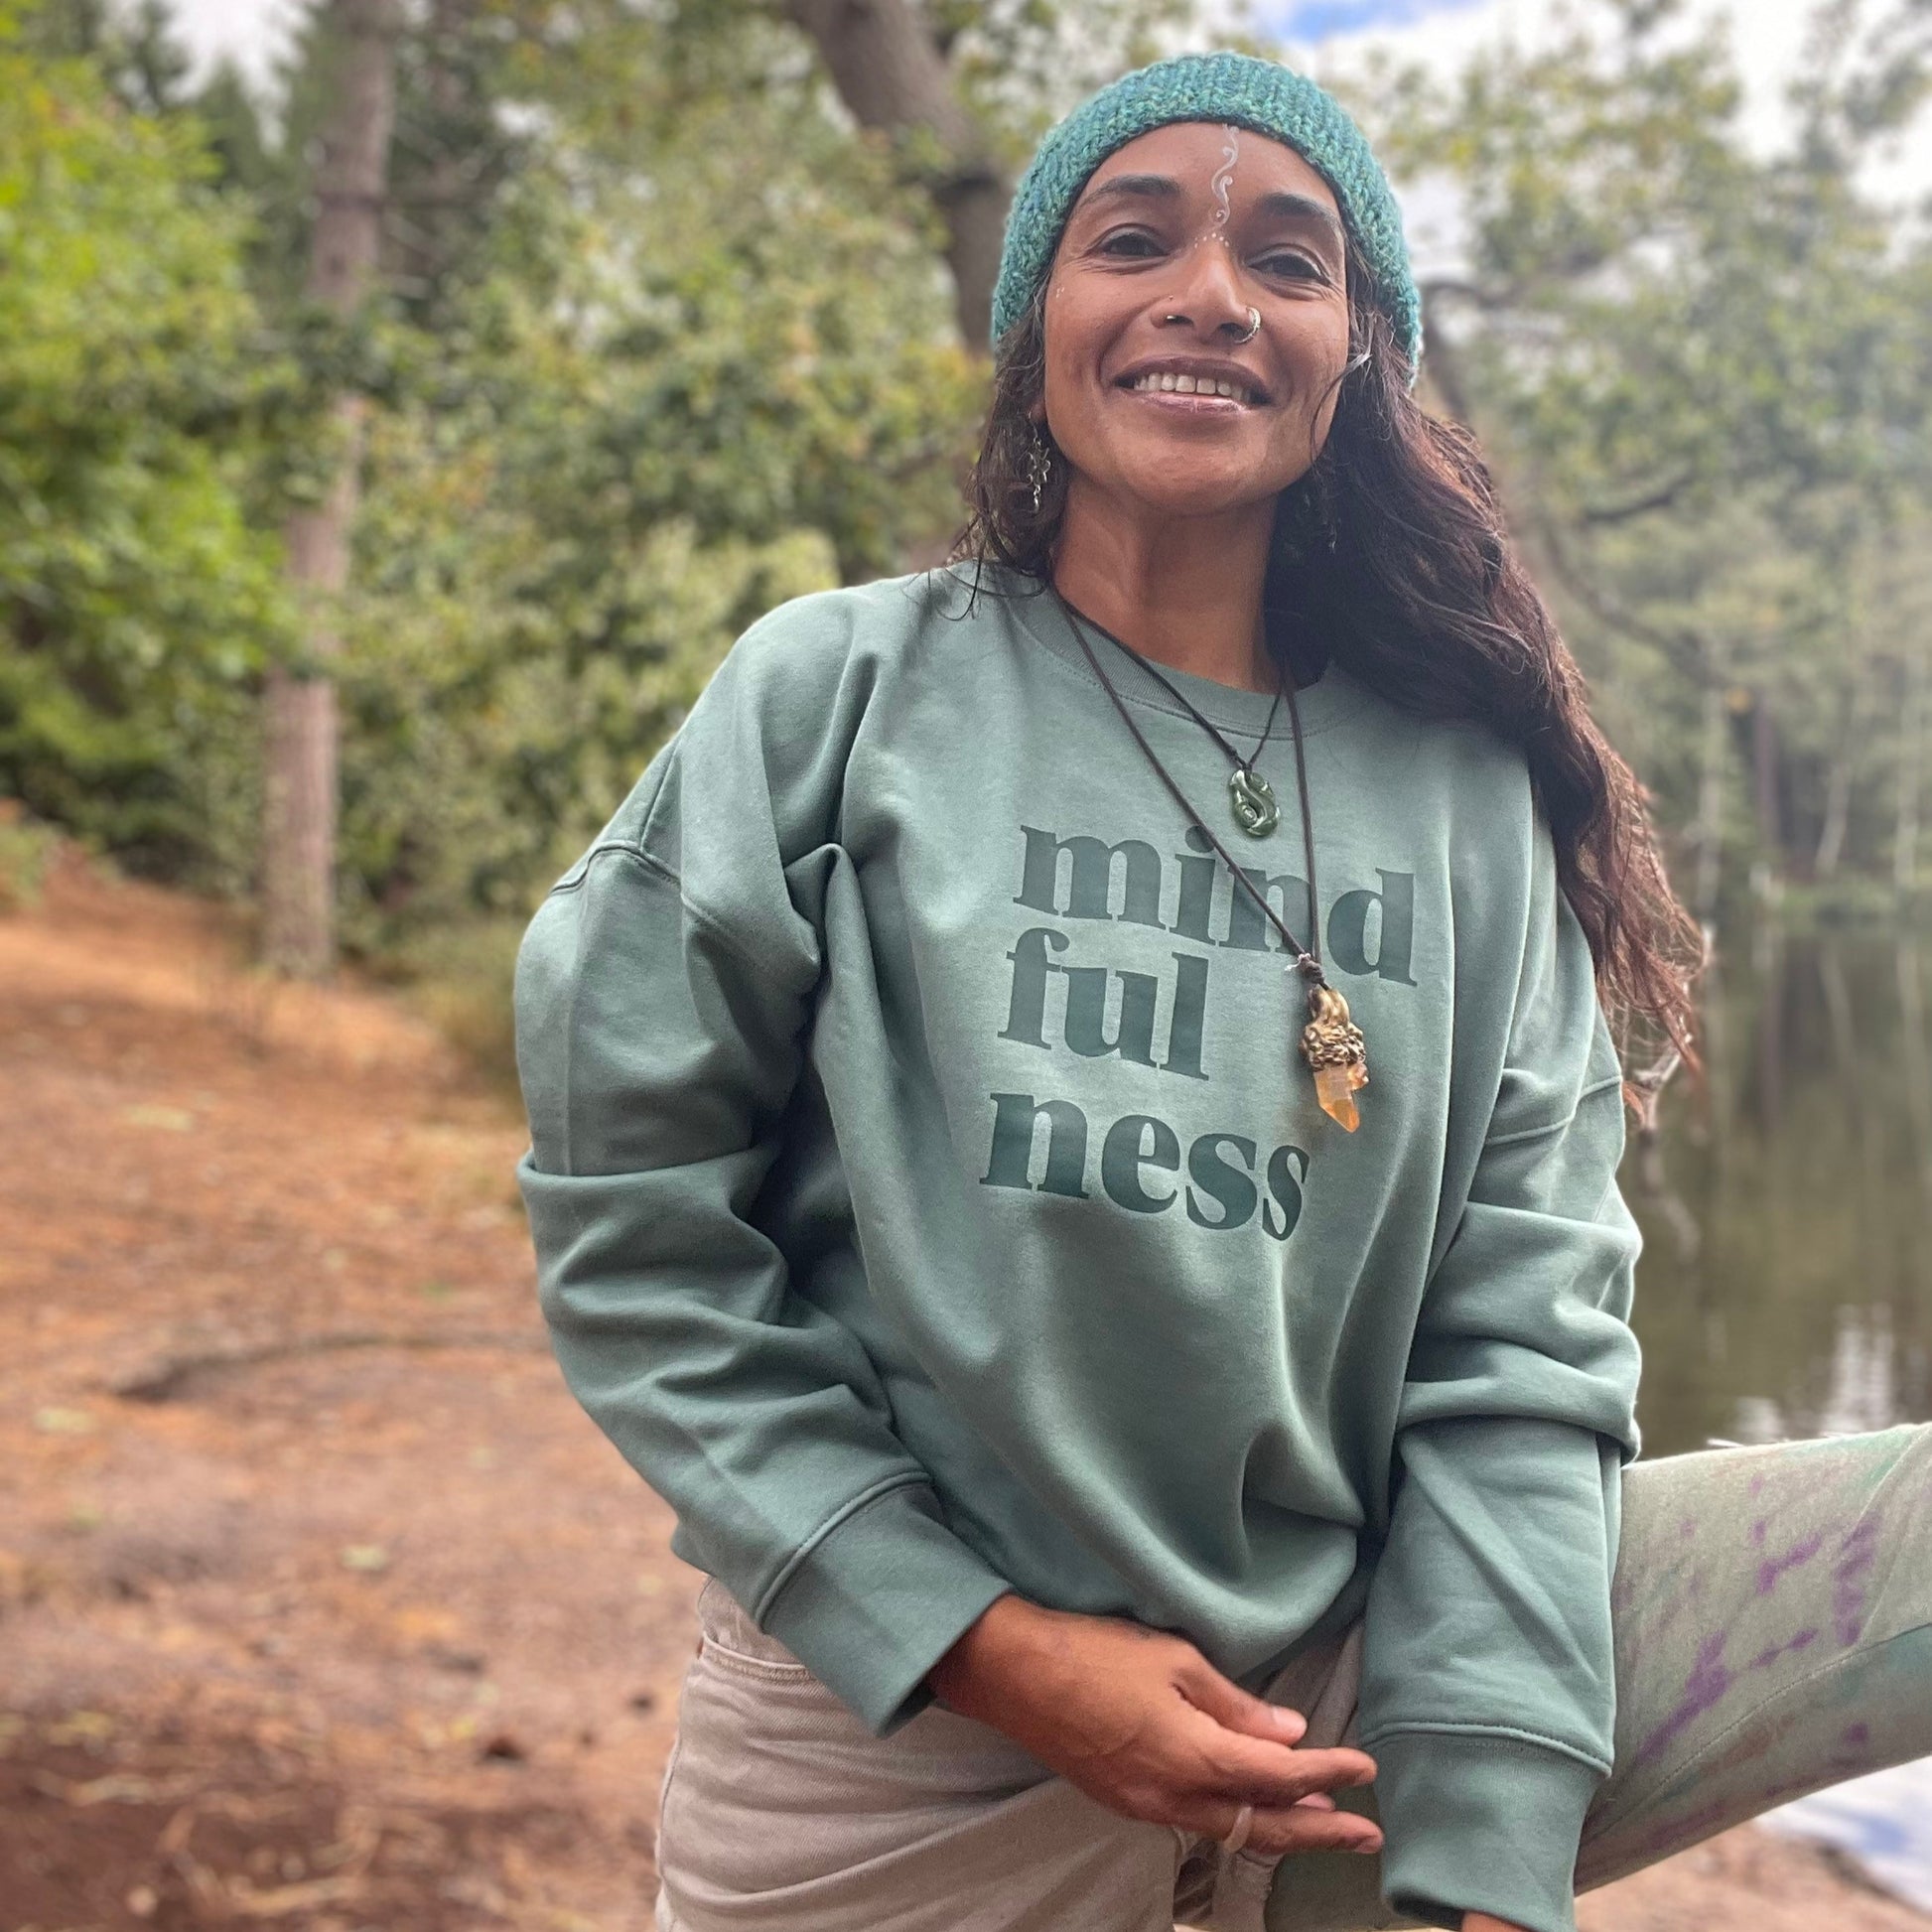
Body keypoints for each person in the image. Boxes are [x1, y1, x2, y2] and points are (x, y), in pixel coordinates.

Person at [512, 50, 1932, 1932]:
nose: (1207, 293)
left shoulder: (1465, 804)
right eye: (1132, 237)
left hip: (1354, 1729)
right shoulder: (836, 699)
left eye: (1289, 257)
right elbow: (634, 1233)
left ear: (1355, 356)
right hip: (907, 1759)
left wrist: (1485, 1844)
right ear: (1041, 329)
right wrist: (974, 1638)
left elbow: (1517, 1350)